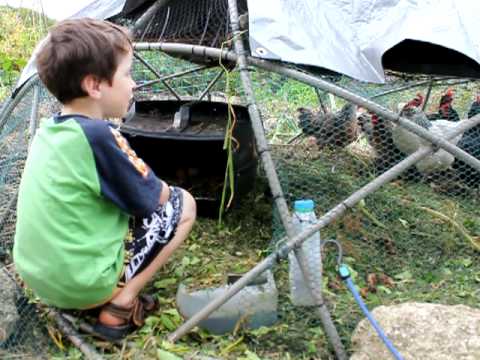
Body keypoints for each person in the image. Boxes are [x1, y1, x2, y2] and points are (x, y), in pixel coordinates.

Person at [13, 18, 196, 341]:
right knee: (185, 205)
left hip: (37, 278)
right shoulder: (100, 135)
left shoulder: (48, 130)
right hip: (80, 286)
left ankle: (90, 290)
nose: (134, 84)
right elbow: (157, 198)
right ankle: (121, 304)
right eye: (126, 74)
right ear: (94, 85)